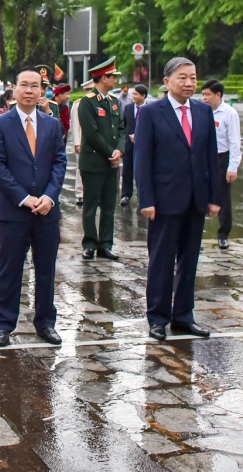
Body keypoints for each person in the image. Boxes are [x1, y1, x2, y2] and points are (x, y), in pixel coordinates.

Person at [134, 58, 222, 340]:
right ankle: (158, 317)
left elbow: (211, 156)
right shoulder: (150, 113)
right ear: (168, 81)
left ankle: (183, 316)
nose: (189, 83)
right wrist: (146, 198)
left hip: (195, 199)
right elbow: (142, 160)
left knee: (189, 260)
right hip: (163, 200)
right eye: (183, 77)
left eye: (193, 78)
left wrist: (213, 197)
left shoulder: (203, 111)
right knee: (161, 260)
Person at [0, 67, 67, 347]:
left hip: (47, 210)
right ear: (15, 90)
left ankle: (46, 322)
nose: (30, 90)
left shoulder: (52, 124)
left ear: (42, 91)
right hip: (14, 209)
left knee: (46, 268)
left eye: (35, 86)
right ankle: (3, 325)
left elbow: (59, 162)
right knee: (10, 268)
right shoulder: (0, 124)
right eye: (24, 85)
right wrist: (23, 197)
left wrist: (50, 196)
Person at [77, 57, 125, 261]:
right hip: (94, 162)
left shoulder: (114, 102)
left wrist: (119, 151)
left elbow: (121, 130)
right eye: (113, 77)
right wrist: (109, 152)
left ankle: (105, 244)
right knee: (90, 205)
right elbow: (91, 133)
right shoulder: (87, 102)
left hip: (111, 163)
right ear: (104, 77)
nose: (115, 80)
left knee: (108, 205)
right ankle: (89, 243)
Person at [199, 79, 241, 250]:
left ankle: (223, 234)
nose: (204, 98)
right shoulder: (201, 111)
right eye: (202, 94)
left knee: (222, 197)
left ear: (218, 95)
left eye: (207, 95)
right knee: (199, 193)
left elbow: (235, 142)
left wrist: (233, 167)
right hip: (202, 158)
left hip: (221, 158)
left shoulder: (229, 113)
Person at [120, 84, 147, 207]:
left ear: (143, 96)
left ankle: (143, 195)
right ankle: (126, 194)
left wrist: (140, 136)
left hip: (145, 146)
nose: (132, 96)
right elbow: (123, 126)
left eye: (135, 94)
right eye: (133, 94)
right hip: (129, 145)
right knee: (127, 170)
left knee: (143, 171)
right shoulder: (128, 108)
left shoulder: (149, 109)